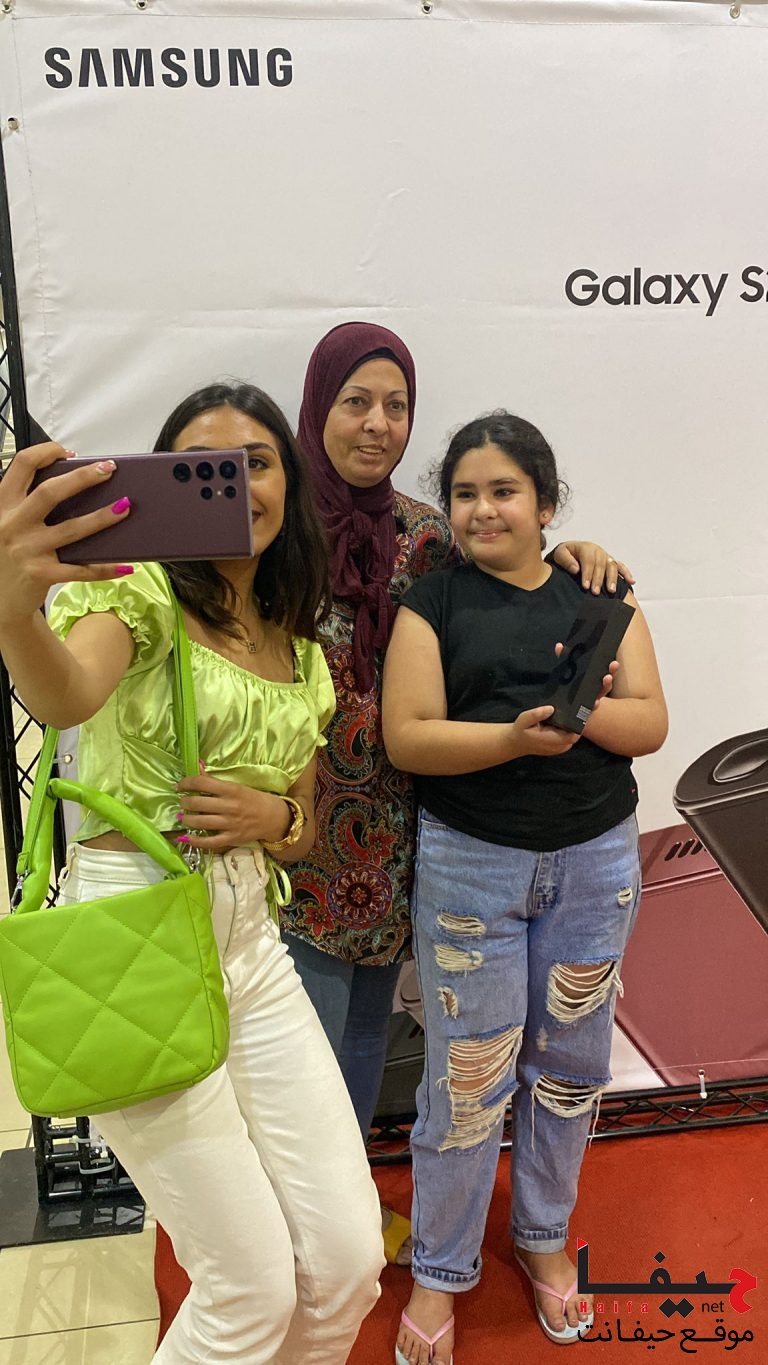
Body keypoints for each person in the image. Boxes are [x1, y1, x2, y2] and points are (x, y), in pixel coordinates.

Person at [0, 382, 384, 1365]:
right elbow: (66, 692)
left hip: (251, 946)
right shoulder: (138, 596)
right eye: (199, 467)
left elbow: (300, 823)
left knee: (346, 1265)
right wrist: (12, 609)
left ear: (290, 485)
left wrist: (276, 817)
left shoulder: (299, 647)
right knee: (246, 1291)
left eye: (254, 463)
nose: (232, 485)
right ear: (162, 485)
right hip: (136, 938)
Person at [278, 321, 636, 1267]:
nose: (377, 423)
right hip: (296, 818)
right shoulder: (274, 525)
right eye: (356, 401)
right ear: (317, 406)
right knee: (296, 1039)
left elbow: (511, 571)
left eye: (396, 405)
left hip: (409, 822)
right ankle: (292, 1227)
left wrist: (578, 551)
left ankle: (345, 1211)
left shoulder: (424, 535)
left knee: (367, 1026)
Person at [382, 411, 668, 1364]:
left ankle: (544, 1235)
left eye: (504, 490)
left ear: (546, 504)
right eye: (464, 493)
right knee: (467, 1078)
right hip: (473, 865)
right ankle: (440, 1265)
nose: (483, 509)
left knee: (572, 1067)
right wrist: (510, 738)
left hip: (595, 861)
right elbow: (409, 737)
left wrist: (580, 718)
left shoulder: (602, 592)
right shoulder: (431, 602)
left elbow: (650, 723)